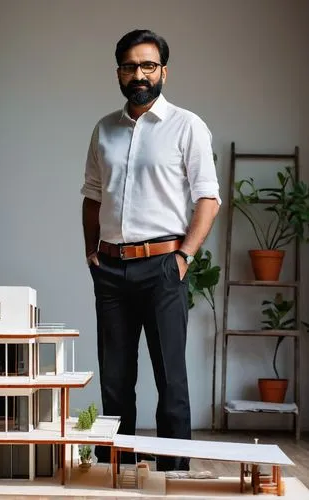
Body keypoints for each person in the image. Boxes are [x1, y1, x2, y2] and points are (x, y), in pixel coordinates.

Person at [81, 29, 221, 471]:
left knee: (170, 379)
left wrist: (184, 257)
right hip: (111, 270)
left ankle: (174, 472)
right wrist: (92, 251)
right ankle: (113, 470)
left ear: (163, 71)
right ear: (119, 72)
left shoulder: (187, 125)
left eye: (148, 65)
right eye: (129, 66)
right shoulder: (104, 128)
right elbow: (92, 194)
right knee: (116, 380)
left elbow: (209, 198)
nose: (138, 74)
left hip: (164, 266)